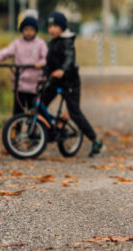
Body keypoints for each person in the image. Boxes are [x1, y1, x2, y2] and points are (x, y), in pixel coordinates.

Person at [43, 11, 103, 156]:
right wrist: (44, 74)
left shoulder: (68, 41)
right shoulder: (51, 43)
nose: (52, 29)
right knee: (40, 103)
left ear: (62, 27)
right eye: (50, 26)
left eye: (55, 26)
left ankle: (95, 140)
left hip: (70, 82)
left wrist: (62, 70)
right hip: (56, 81)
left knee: (75, 112)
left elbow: (69, 58)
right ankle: (48, 130)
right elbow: (48, 63)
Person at [0, 15, 47, 115]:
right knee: (17, 111)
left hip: (35, 85)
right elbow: (5, 52)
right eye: (26, 29)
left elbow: (46, 58)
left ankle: (36, 129)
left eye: (31, 29)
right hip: (20, 84)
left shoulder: (40, 44)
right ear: (22, 30)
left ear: (35, 30)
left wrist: (41, 63)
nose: (29, 32)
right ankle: (15, 129)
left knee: (35, 112)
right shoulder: (17, 44)